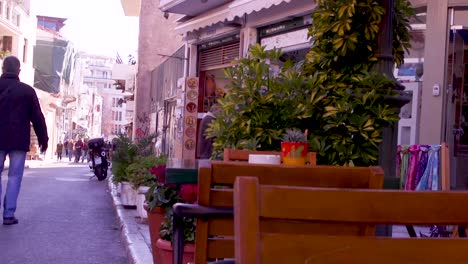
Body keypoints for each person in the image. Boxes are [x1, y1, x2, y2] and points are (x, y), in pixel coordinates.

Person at [0, 56, 48, 225]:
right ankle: (8, 214)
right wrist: (43, 139)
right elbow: (37, 117)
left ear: (3, 69)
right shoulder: (27, 91)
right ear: (18, 70)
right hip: (18, 140)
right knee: (14, 177)